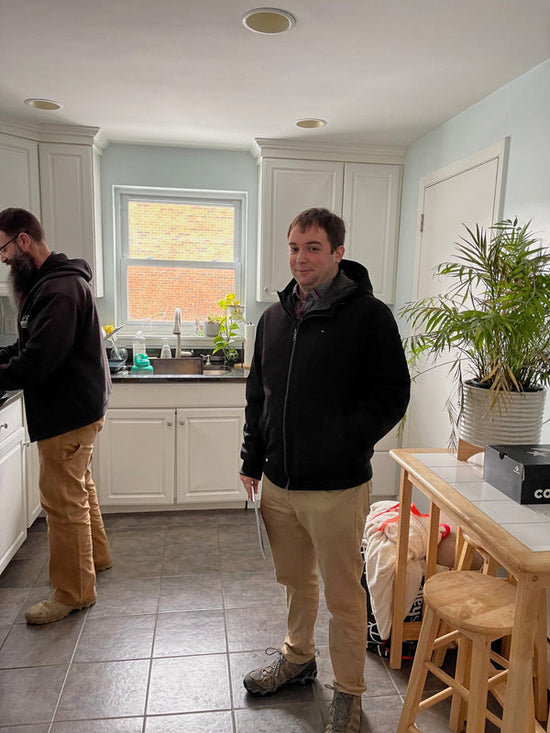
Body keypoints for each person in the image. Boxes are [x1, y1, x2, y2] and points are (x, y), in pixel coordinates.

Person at [239, 208, 410, 733]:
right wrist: (251, 457)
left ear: (338, 253)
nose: (300, 258)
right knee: (295, 581)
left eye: (312, 247)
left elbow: (392, 395)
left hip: (336, 486)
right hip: (280, 484)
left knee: (342, 593)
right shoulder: (274, 318)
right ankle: (297, 658)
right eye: (294, 247)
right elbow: (257, 396)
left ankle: (350, 693)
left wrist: (343, 440)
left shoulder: (369, 316)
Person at [0, 207, 112, 624]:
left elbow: (37, 362)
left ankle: (73, 592)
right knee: (79, 489)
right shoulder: (53, 285)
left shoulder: (58, 291)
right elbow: (29, 346)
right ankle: (96, 558)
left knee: (62, 503)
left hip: (68, 415)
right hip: (79, 409)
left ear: (23, 240)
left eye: (4, 249)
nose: (3, 258)